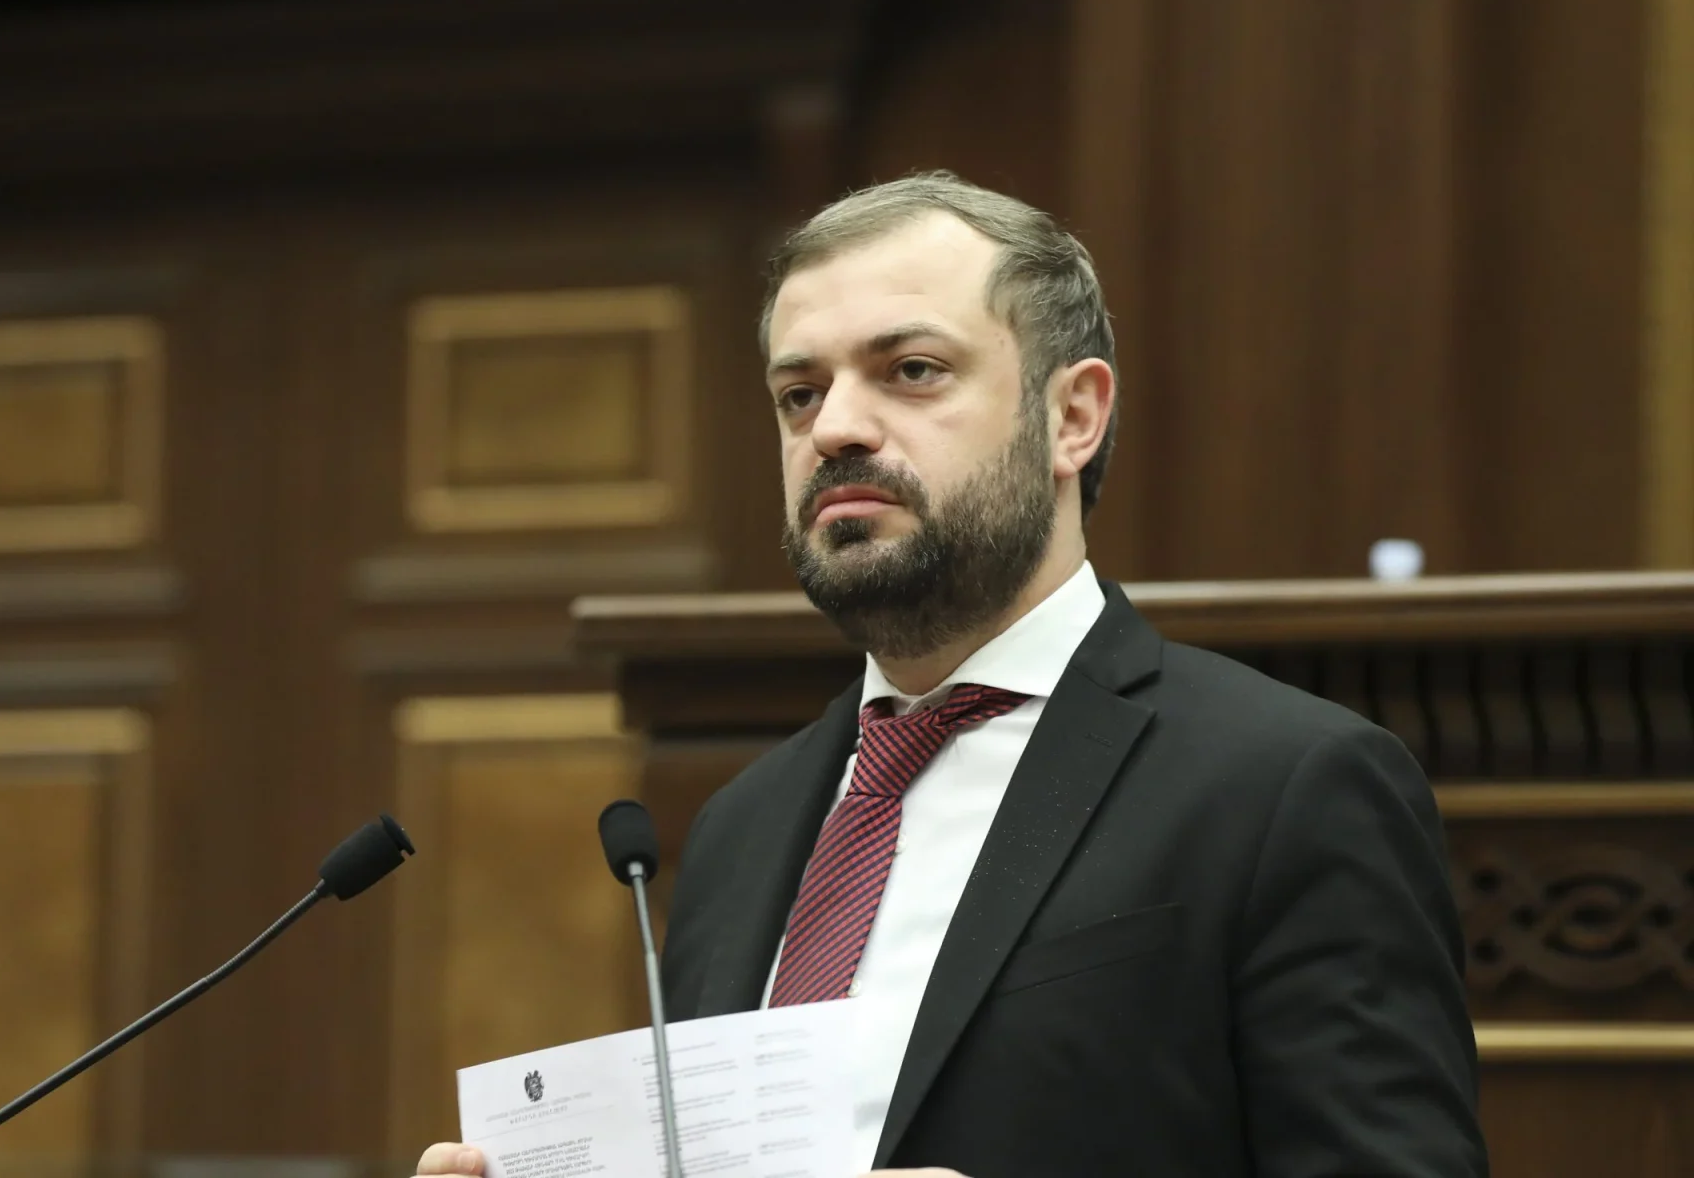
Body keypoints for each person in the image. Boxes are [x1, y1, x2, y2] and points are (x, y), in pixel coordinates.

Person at [416, 171, 1488, 1178]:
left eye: (911, 371)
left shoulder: (1284, 784)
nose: (834, 428)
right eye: (798, 393)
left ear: (1071, 417)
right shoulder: (744, 823)